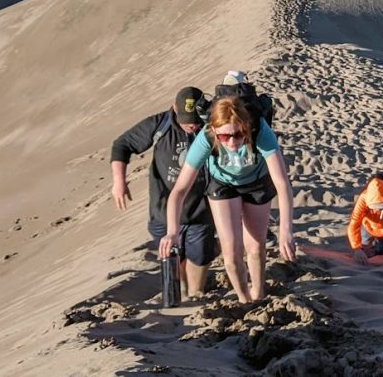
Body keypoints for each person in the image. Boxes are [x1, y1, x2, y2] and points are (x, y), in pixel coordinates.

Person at [159, 96, 295, 303]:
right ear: (214, 131)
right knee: (231, 252)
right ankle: (243, 299)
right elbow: (179, 190)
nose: (232, 142)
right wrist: (172, 231)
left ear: (246, 128)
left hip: (256, 181)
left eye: (238, 134)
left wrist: (285, 231)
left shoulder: (260, 131)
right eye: (224, 137)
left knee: (256, 246)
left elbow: (282, 184)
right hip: (223, 183)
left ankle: (258, 293)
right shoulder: (205, 138)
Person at [111, 86, 216, 298]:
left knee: (200, 256)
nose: (192, 124)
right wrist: (119, 181)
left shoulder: (210, 126)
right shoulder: (159, 124)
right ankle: (182, 290)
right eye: (187, 120)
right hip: (162, 209)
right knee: (173, 255)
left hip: (201, 208)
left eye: (196, 119)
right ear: (174, 109)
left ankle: (196, 292)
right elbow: (122, 144)